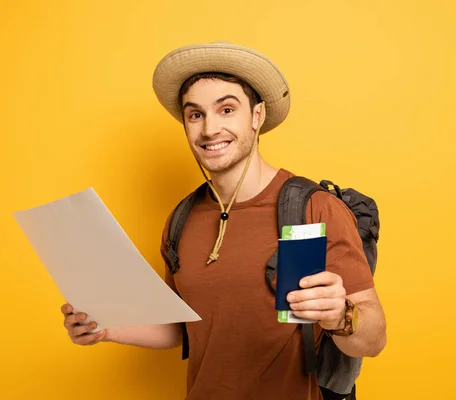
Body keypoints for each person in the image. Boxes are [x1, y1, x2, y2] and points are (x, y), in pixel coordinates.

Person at [60, 42, 387, 399]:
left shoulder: (314, 208)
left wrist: (340, 315)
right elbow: (184, 327)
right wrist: (105, 328)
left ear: (257, 116)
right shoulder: (181, 219)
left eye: (227, 109)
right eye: (195, 114)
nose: (210, 129)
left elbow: (374, 339)